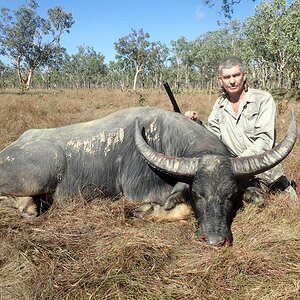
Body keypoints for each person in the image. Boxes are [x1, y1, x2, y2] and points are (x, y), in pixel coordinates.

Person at [185, 55, 297, 203]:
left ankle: (284, 186)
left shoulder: (263, 99)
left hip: (261, 165)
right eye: (227, 77)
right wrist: (198, 123)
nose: (232, 81)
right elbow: (213, 136)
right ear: (220, 80)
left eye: (236, 75)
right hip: (233, 170)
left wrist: (240, 160)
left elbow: (265, 139)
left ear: (244, 76)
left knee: (287, 203)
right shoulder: (219, 105)